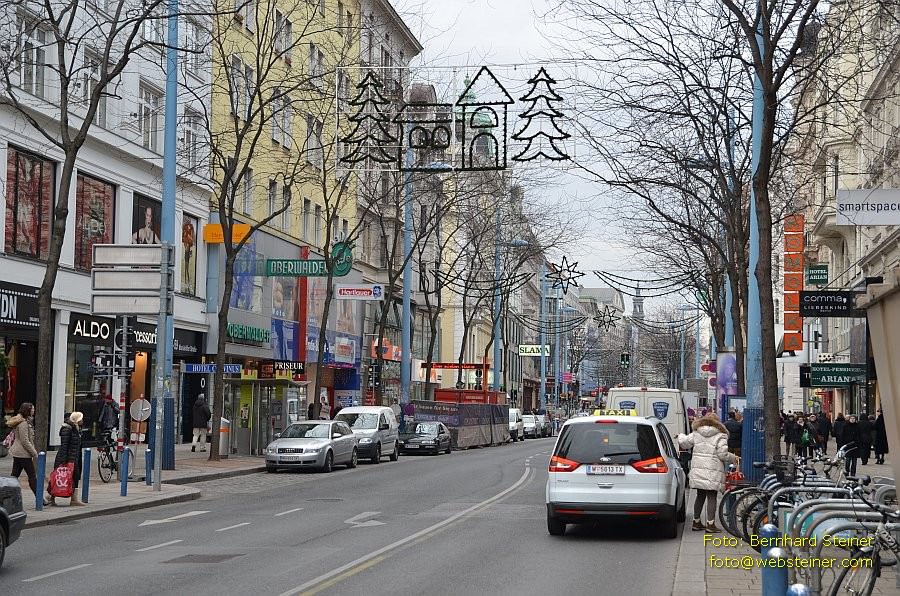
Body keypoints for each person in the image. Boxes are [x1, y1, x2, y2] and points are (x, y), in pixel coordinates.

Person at [675, 413, 738, 533]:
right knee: (712, 496)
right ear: (717, 422)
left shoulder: (697, 432)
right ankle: (710, 524)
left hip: (699, 469)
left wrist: (680, 436)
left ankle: (696, 522)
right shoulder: (721, 435)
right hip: (713, 470)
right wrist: (733, 458)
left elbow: (685, 443)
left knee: (700, 495)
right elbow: (723, 454)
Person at [47, 412, 85, 506]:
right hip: (67, 459)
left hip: (74, 458)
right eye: (81, 418)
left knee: (75, 477)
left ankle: (74, 499)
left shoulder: (76, 429)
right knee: (59, 478)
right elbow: (64, 446)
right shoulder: (67, 429)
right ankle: (50, 497)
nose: (82, 420)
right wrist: (63, 462)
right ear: (77, 420)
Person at [8, 402, 39, 496]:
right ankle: (40, 499)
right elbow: (25, 441)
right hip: (23, 454)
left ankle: (6, 495)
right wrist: (34, 453)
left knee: (14, 476)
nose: (34, 411)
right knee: (32, 476)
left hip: (18, 453)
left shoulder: (23, 421)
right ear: (27, 411)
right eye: (32, 409)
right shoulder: (23, 423)